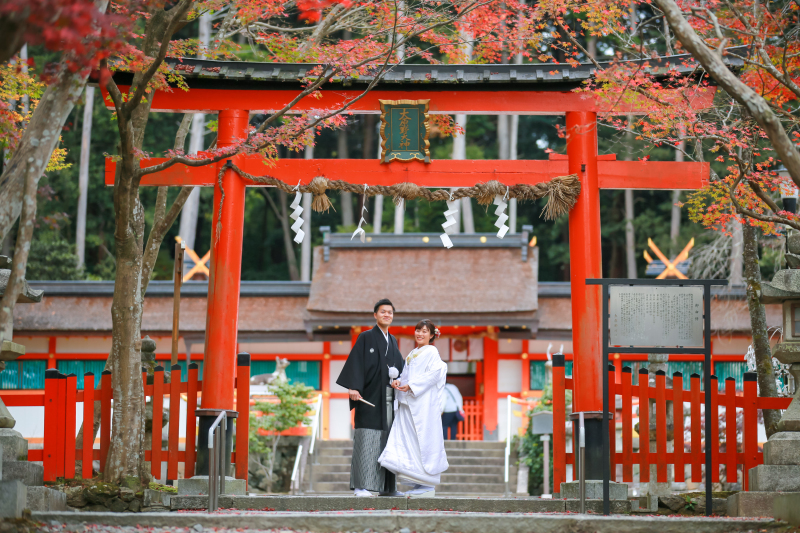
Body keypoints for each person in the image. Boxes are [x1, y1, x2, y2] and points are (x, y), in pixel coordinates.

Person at [336, 298, 405, 497]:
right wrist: (354, 387)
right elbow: (356, 362)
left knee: (388, 442)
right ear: (375, 315)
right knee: (367, 439)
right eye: (383, 312)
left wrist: (399, 379)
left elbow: (400, 367)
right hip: (369, 397)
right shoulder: (366, 337)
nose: (387, 315)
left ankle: (387, 488)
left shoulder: (392, 341)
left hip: (388, 400)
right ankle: (361, 486)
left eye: (390, 312)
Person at [379, 319, 449, 497]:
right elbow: (406, 375)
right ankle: (419, 483)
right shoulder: (413, 352)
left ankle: (428, 485)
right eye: (418, 330)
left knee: (422, 441)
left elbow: (435, 374)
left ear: (432, 335)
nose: (420, 334)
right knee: (410, 441)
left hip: (422, 404)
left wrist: (412, 385)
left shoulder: (432, 352)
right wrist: (399, 381)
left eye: (425, 331)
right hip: (409, 403)